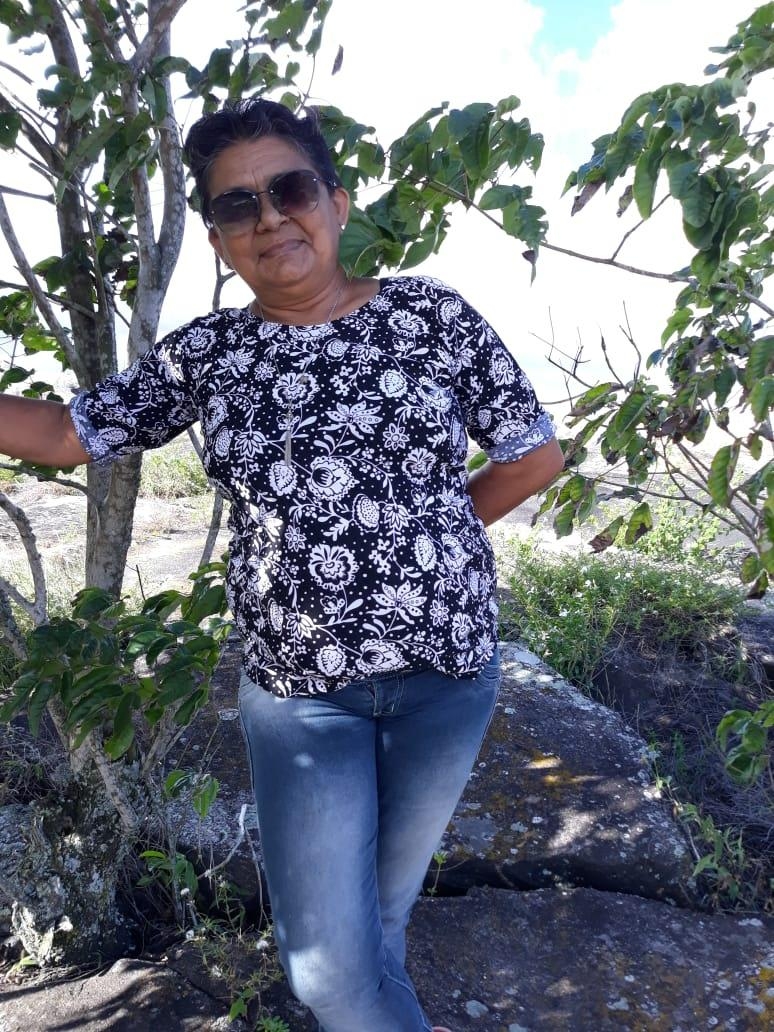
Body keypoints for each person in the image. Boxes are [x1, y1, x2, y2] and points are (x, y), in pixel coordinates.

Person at [0, 97, 563, 1031]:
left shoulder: (431, 316)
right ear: (220, 240)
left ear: (335, 202)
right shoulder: (211, 354)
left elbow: (533, 456)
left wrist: (429, 534)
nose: (268, 217)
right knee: (329, 975)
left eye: (290, 189)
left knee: (380, 919)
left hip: (447, 680)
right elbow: (69, 433)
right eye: (237, 205)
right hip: (303, 699)